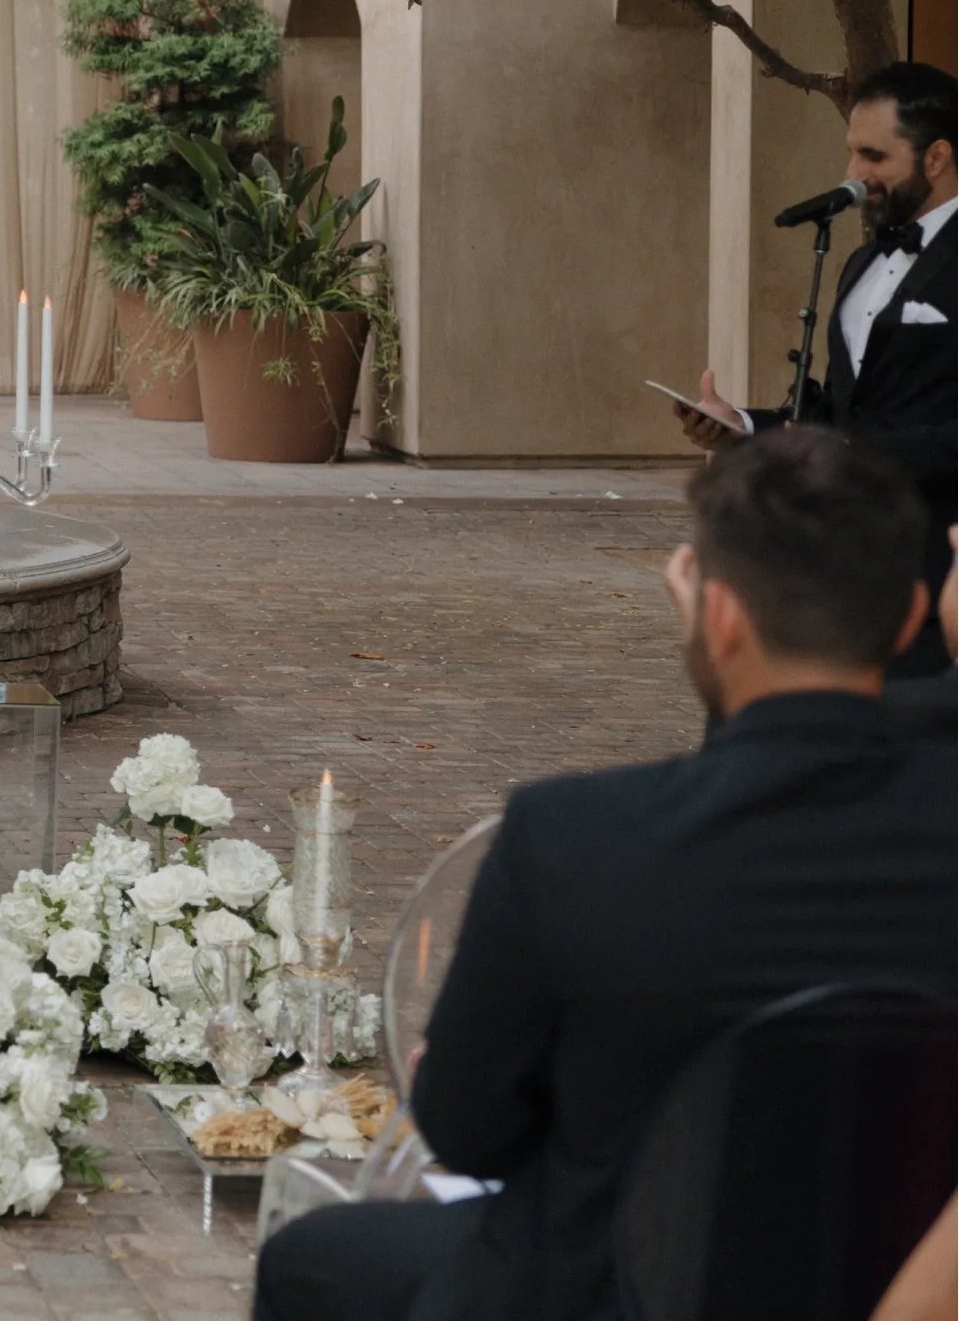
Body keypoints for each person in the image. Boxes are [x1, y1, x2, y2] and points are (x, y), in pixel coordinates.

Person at [253, 426, 955, 1321]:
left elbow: (468, 1132)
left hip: (606, 1290)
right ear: (907, 617)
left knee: (312, 1261)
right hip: (890, 1284)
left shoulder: (572, 836)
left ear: (724, 614)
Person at [676, 61, 956, 677]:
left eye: (873, 156)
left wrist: (847, 449)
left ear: (936, 157)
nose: (854, 175)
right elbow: (836, 409)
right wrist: (744, 426)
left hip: (939, 567)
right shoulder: (860, 264)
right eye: (851, 153)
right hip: (846, 571)